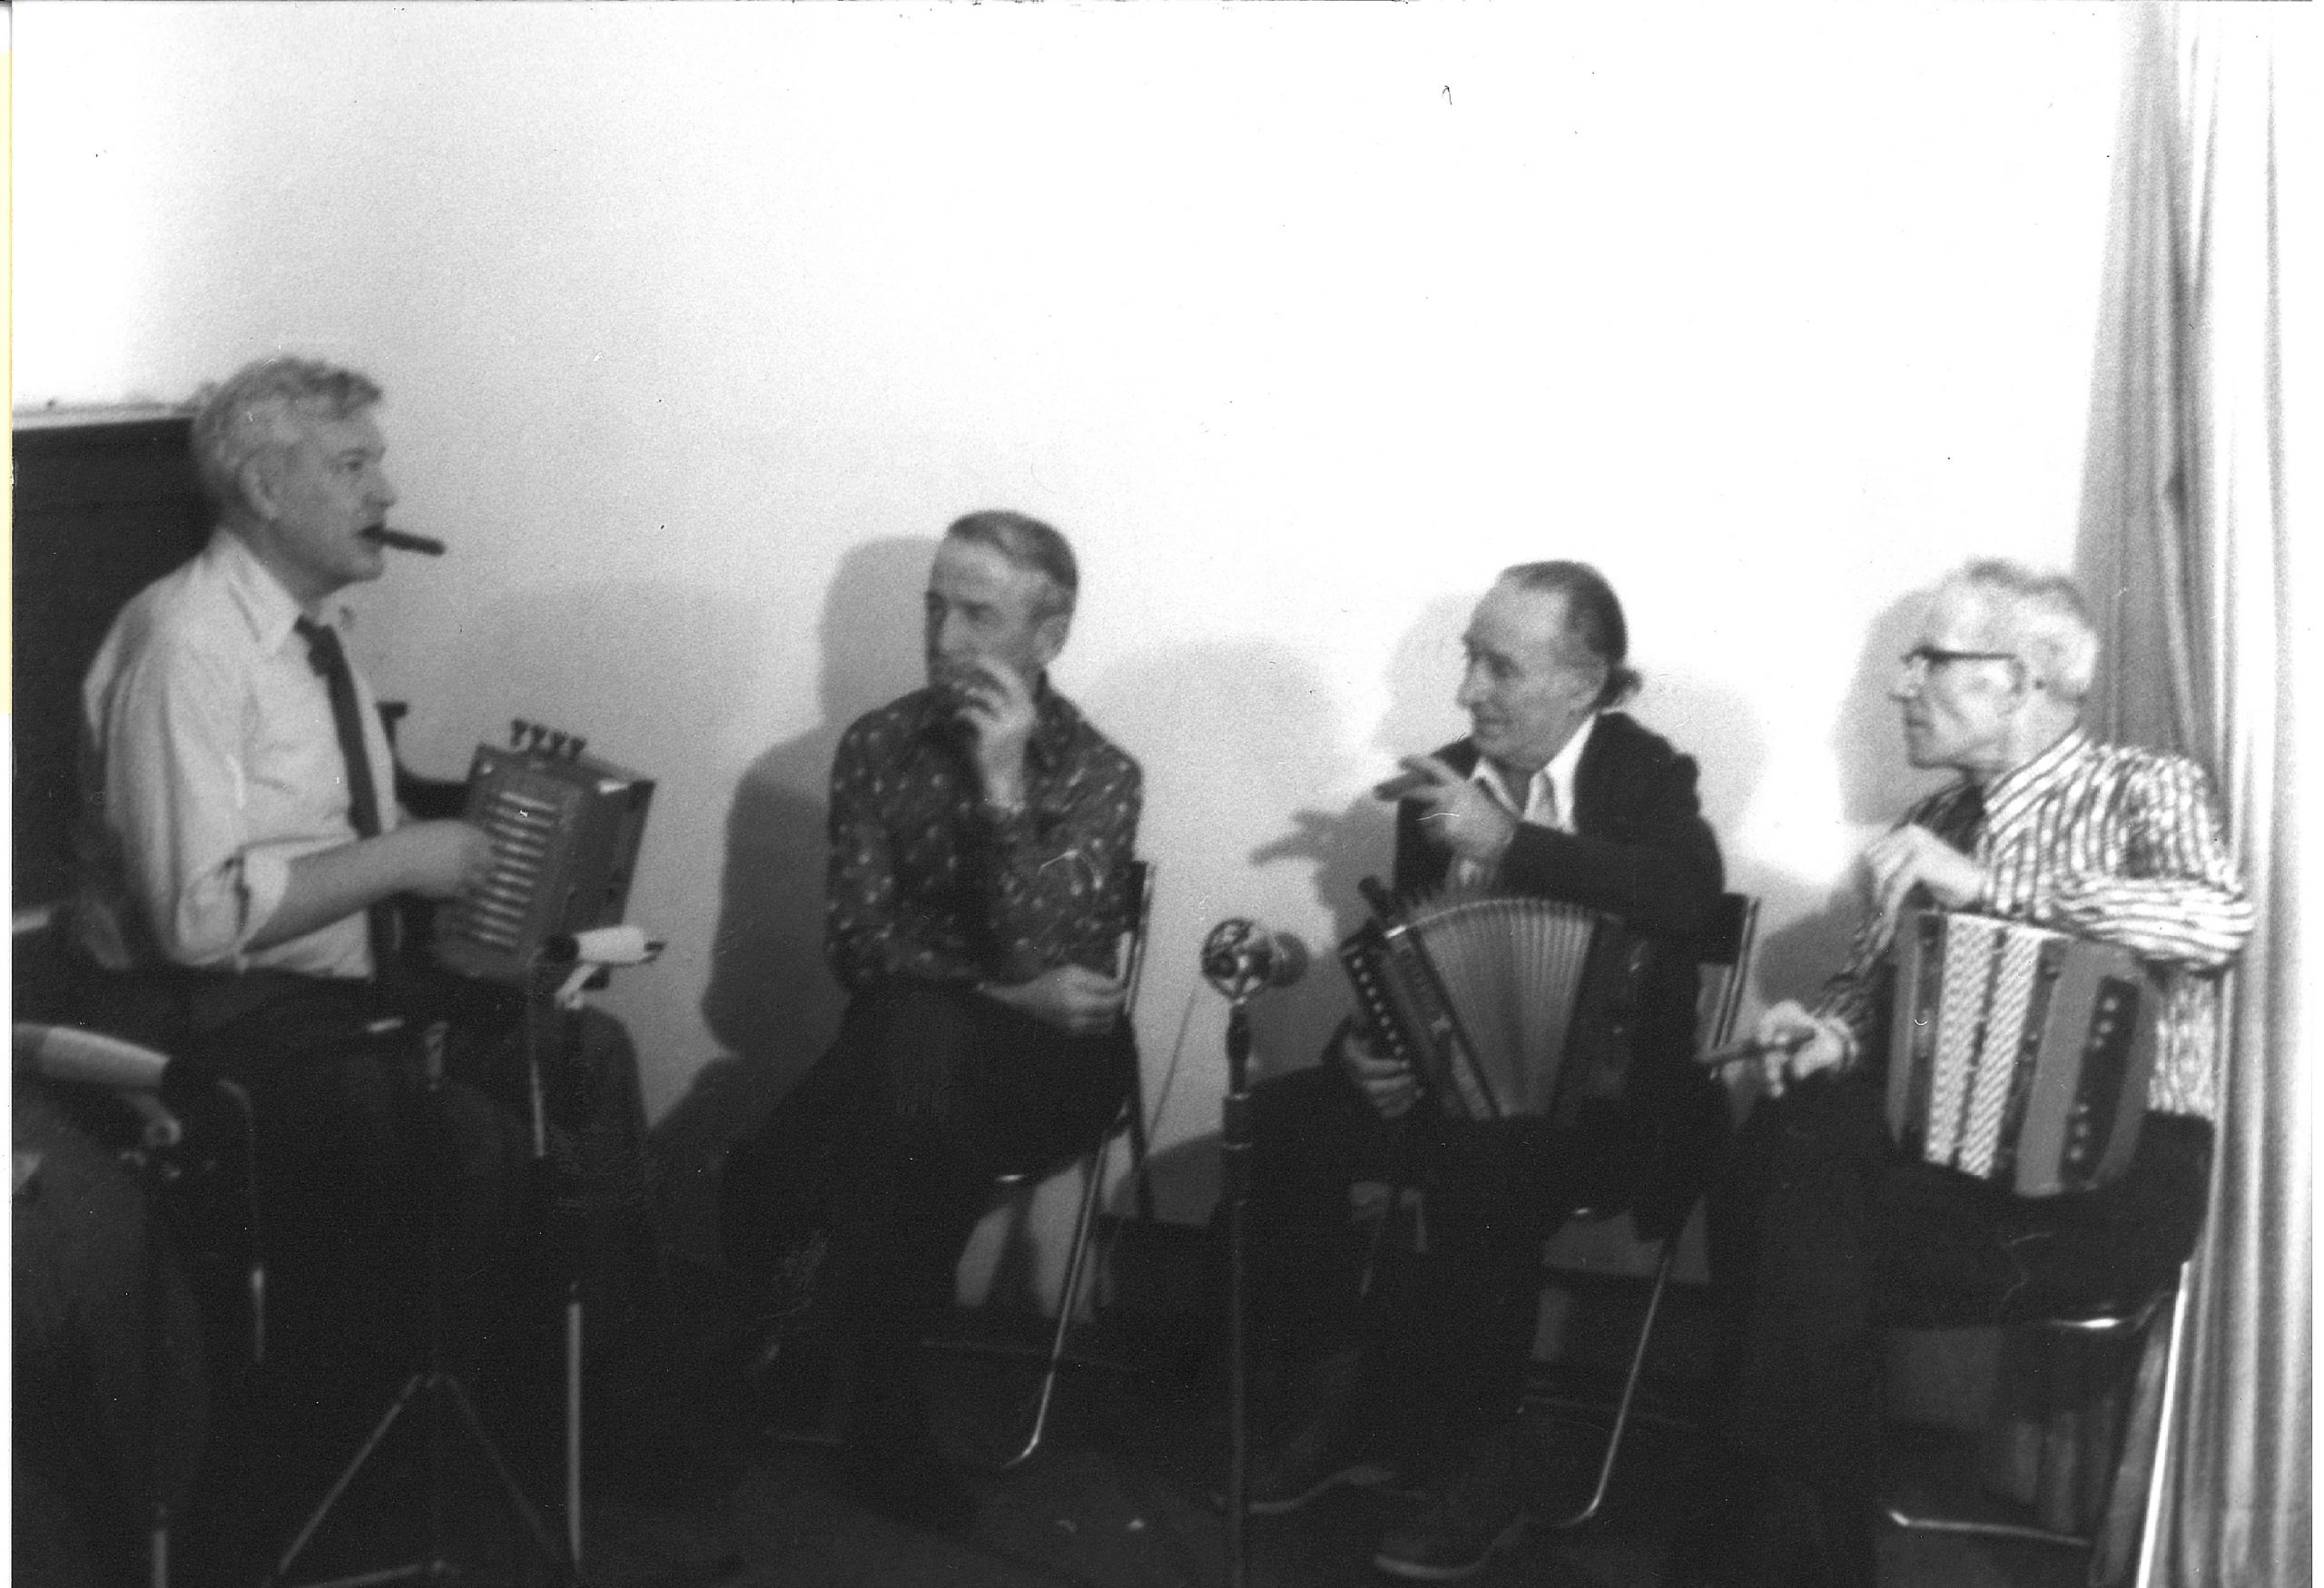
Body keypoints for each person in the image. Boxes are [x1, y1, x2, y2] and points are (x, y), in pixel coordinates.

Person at [68, 356, 651, 1388]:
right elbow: (195, 920)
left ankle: (590, 1404)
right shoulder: (187, 648)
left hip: (346, 990)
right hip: (228, 1012)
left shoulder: (317, 628)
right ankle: (395, 1443)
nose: (385, 493)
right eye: (352, 466)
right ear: (264, 489)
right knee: (466, 1149)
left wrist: (495, 823)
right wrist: (407, 859)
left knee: (588, 1056)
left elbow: (331, 820)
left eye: (376, 464)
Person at [1675, 560, 2254, 1588]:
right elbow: (1865, 990)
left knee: (1788, 1218)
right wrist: (1833, 1037)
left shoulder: (2143, 786)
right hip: (1944, 1163)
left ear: (2024, 680)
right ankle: (1795, 1554)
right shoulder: (1932, 825)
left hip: (2106, 1182)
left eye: (1928, 660)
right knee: (1790, 1154)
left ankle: (1767, 1548)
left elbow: (2214, 923)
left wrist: (1995, 887)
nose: (1901, 685)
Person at [1240, 561, 1728, 1582]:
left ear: (1584, 681)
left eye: (1500, 667)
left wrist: (1508, 840)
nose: (1469, 691)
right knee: (1287, 1123)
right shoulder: (1446, 784)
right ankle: (1340, 1402)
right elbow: (1416, 958)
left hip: (1607, 1110)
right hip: (1454, 1091)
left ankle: (1485, 1462)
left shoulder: (1648, 777)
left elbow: (1682, 894)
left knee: (1486, 1166)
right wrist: (1370, 1048)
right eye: (1470, 658)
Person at [719, 510, 1143, 1531]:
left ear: (1048, 637)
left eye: (978, 614)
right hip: (915, 1057)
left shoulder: (1099, 774)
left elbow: (1050, 968)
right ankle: (879, 1414)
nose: (945, 638)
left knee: (885, 1086)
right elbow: (857, 947)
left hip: (1058, 1063)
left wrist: (1001, 792)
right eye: (934, 607)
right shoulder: (878, 745)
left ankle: (838, 1390)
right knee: (878, 1113)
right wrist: (996, 989)